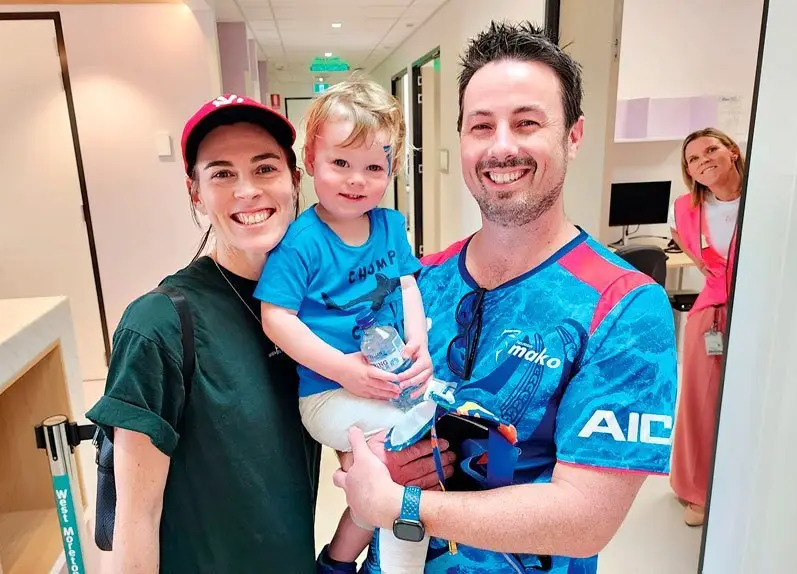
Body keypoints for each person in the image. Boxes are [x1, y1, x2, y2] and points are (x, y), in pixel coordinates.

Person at [332, 21, 679, 573]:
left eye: (526, 123)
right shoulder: (418, 282)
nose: (501, 147)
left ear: (574, 135)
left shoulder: (625, 308)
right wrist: (370, 461)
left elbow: (586, 518)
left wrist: (405, 502)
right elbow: (354, 413)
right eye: (481, 126)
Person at [84, 93, 454, 573]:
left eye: (264, 169)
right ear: (195, 192)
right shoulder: (159, 326)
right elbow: (134, 522)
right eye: (221, 174)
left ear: (294, 180)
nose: (247, 191)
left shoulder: (320, 312)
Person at [256, 78, 433, 573]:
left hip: (387, 375)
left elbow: (407, 286)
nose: (357, 180)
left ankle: (339, 562)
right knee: (399, 467)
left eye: (373, 167)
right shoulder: (301, 242)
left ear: (391, 170)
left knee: (434, 434)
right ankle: (371, 561)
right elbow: (277, 319)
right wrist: (343, 370)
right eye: (340, 163)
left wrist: (419, 340)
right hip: (328, 394)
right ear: (310, 161)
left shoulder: (390, 225)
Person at [668, 127, 742, 527]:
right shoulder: (685, 208)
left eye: (710, 150)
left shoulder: (763, 200)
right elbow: (694, 252)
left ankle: (740, 482)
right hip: (712, 314)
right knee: (699, 404)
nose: (702, 161)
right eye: (693, 159)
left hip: (759, 312)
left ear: (732, 152)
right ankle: (695, 489)